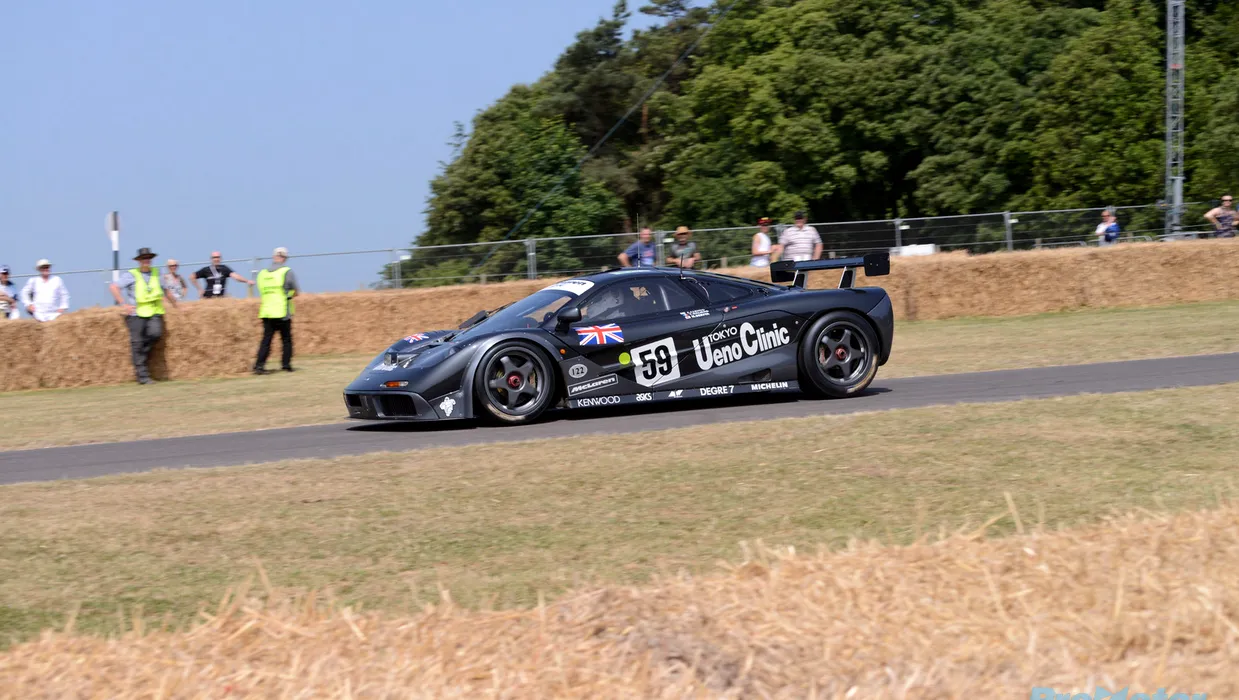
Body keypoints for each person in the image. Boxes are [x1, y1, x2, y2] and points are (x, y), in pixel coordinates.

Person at [109, 248, 179, 385]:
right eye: (143, 258)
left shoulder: (157, 273)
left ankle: (141, 357)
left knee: (155, 334)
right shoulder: (131, 275)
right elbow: (114, 287)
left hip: (154, 312)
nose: (146, 260)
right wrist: (123, 304)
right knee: (136, 343)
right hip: (136, 314)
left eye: (148, 258)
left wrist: (177, 306)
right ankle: (143, 376)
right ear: (139, 261)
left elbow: (166, 291)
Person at [253, 246, 300, 375]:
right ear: (285, 258)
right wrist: (289, 295)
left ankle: (259, 366)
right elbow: (296, 291)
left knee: (266, 340)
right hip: (282, 311)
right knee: (286, 340)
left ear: (274, 257)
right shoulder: (286, 272)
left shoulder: (262, 273)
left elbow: (262, 291)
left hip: (266, 311)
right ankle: (286, 365)